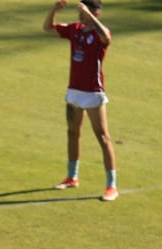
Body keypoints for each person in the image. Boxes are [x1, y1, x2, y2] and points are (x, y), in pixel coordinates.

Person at [43, 0, 118, 201]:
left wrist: (91, 16)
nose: (80, 14)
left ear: (95, 12)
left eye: (84, 10)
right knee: (72, 132)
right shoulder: (75, 30)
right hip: (74, 92)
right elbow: (48, 28)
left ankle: (112, 186)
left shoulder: (99, 33)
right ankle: (71, 177)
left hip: (93, 93)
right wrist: (54, 10)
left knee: (103, 137)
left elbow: (106, 36)